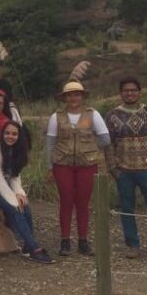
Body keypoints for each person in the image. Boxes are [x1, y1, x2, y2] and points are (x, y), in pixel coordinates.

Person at [104, 77, 147, 260]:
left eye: (133, 90)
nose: (130, 93)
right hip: (123, 169)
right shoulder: (112, 115)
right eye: (126, 90)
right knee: (127, 208)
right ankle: (132, 245)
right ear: (121, 93)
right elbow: (108, 144)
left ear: (139, 92)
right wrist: (113, 168)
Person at [46, 80, 111, 257]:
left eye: (76, 94)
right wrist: (49, 167)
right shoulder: (56, 117)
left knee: (83, 203)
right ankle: (65, 240)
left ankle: (83, 240)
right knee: (66, 201)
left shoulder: (93, 115)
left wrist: (90, 145)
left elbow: (105, 139)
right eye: (69, 95)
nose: (73, 98)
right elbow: (50, 143)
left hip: (87, 165)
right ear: (64, 98)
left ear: (82, 96)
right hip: (62, 165)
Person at [0, 121, 55, 264]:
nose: (10, 137)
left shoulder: (16, 150)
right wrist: (13, 200)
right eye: (7, 133)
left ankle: (27, 247)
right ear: (2, 133)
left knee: (26, 207)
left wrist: (19, 194)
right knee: (16, 209)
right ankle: (34, 248)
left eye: (14, 134)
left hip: (6, 187)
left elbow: (15, 176)